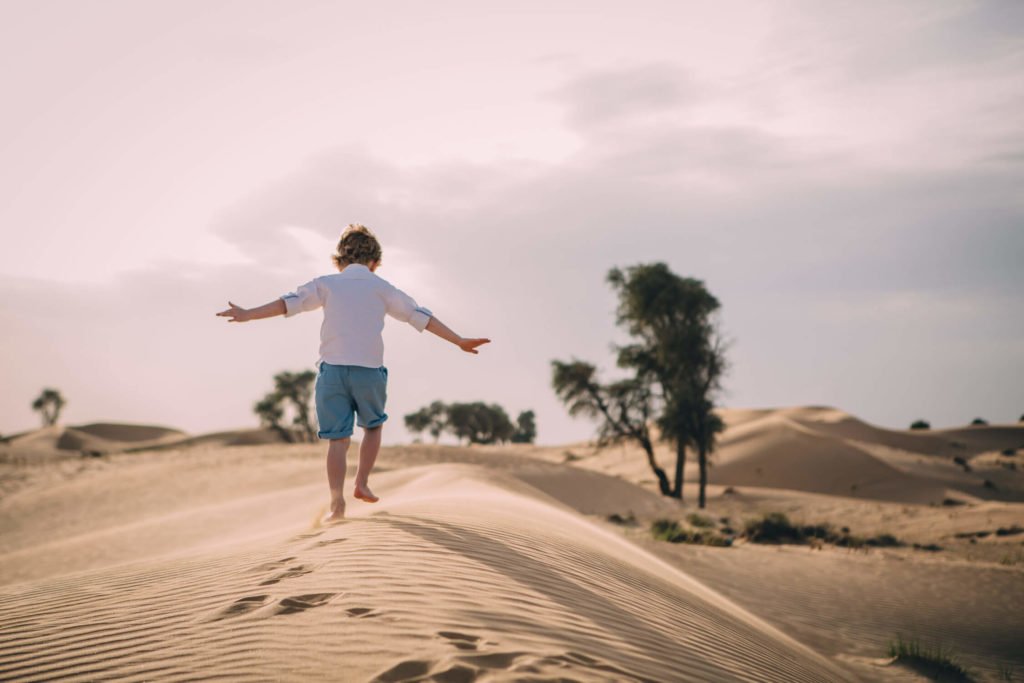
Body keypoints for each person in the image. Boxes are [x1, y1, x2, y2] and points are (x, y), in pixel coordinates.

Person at [216, 224, 490, 522]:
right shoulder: (383, 288)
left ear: (339, 261)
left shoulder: (327, 283)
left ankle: (337, 505)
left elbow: (287, 303)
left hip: (332, 372)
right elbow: (419, 316)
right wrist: (459, 340)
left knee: (338, 441)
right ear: (375, 262)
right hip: (369, 372)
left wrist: (247, 314)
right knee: (372, 427)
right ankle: (361, 482)